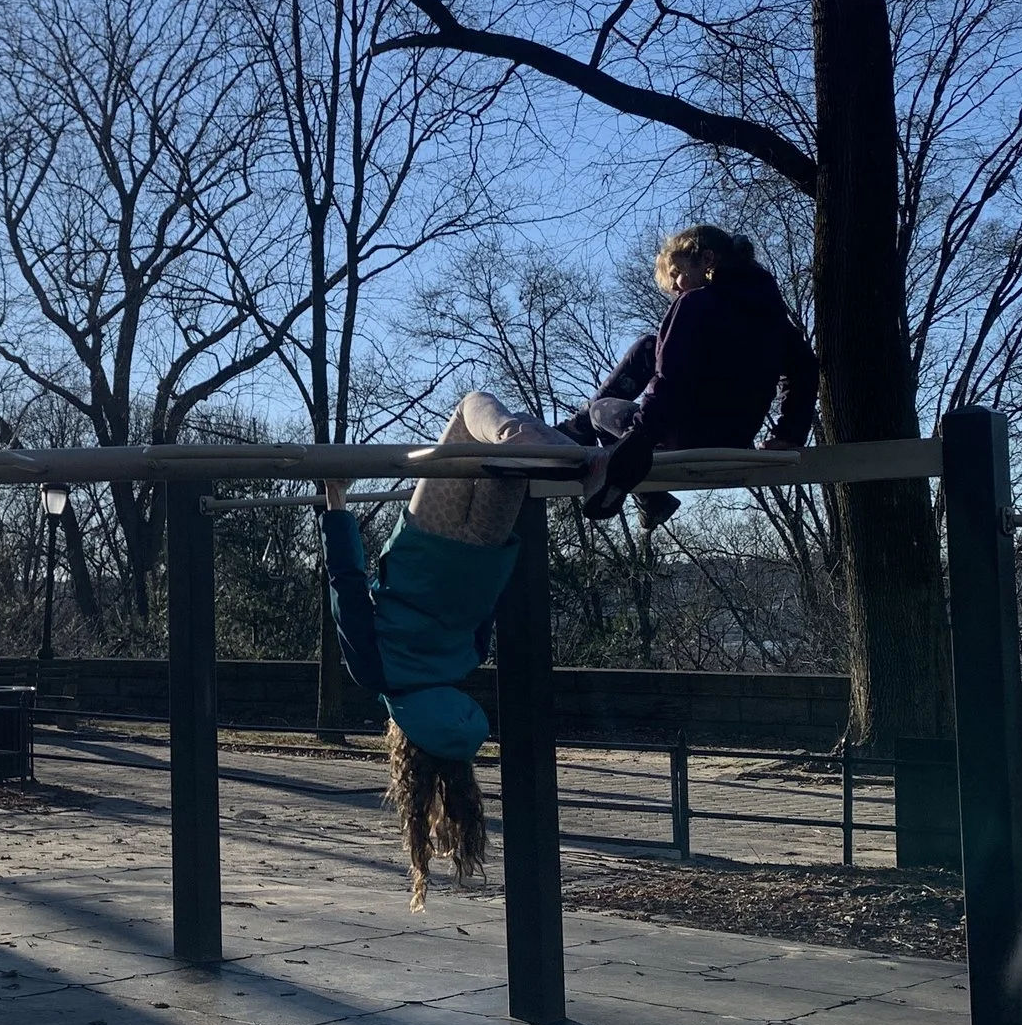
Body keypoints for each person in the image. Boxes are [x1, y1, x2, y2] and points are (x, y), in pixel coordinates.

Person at [322, 388, 573, 908]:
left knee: (510, 460)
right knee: (468, 412)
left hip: (483, 554)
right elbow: (347, 585)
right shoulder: (377, 674)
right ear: (403, 741)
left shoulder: (463, 664)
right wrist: (336, 503)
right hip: (426, 542)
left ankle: (547, 437)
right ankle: (519, 432)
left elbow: (485, 619)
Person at [569, 225, 817, 527]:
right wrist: (790, 434)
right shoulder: (771, 317)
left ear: (707, 260)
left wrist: (640, 437)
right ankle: (586, 432)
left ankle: (599, 444)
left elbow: (671, 379)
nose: (675, 287)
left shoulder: (695, 304)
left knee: (600, 409)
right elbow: (804, 369)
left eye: (676, 273)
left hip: (684, 438)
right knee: (649, 346)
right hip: (735, 439)